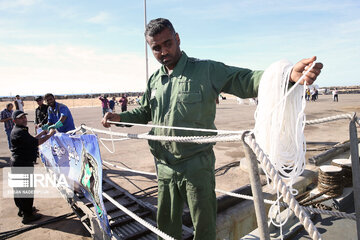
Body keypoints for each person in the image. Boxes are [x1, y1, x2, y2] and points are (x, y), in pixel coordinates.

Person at [101, 18, 323, 240]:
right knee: (166, 227)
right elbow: (145, 112)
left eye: (167, 43)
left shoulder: (206, 70)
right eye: (156, 48)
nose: (163, 51)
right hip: (164, 166)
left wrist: (286, 76)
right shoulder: (155, 81)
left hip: (197, 166)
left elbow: (244, 79)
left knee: (204, 227)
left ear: (177, 39)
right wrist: (119, 117)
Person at [10, 110, 56, 224]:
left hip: (18, 162)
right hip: (22, 163)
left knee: (19, 190)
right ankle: (28, 216)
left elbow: (32, 140)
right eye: (21, 118)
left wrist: (42, 133)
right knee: (26, 190)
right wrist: (50, 134)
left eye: (24, 117)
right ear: (14, 120)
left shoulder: (19, 130)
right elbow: (37, 142)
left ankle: (23, 210)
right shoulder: (20, 131)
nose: (24, 119)